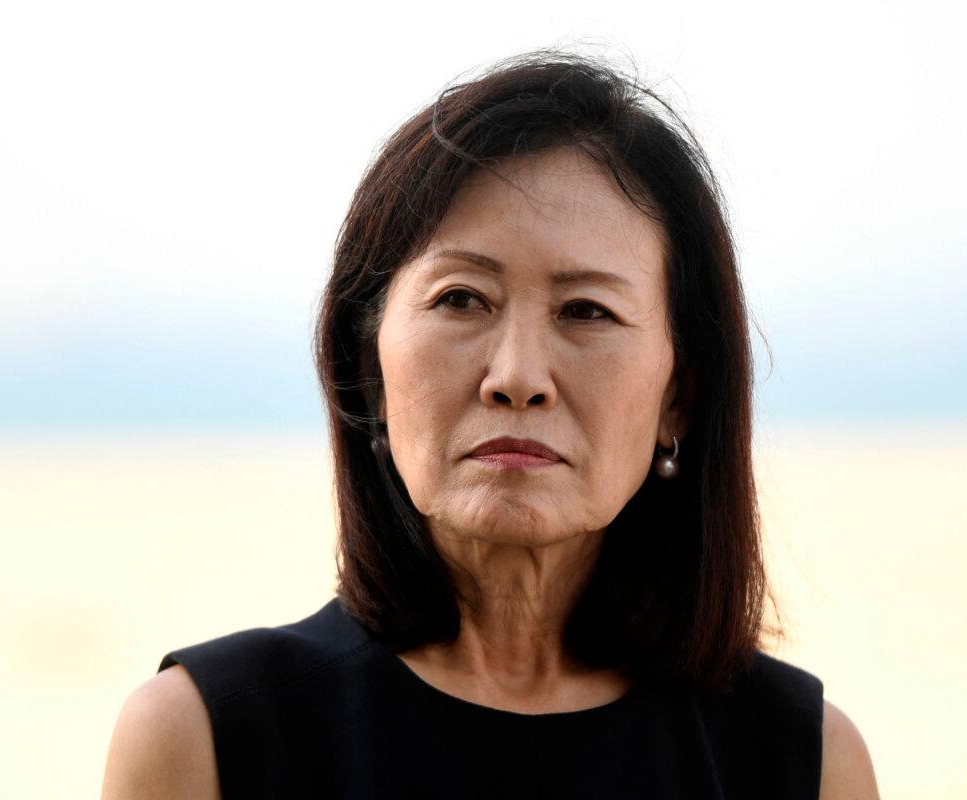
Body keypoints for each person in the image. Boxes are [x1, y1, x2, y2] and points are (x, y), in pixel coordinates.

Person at [101, 50, 880, 799]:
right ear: (369, 367)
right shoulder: (204, 738)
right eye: (461, 300)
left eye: (587, 311)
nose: (516, 378)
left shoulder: (801, 761)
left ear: (680, 395)